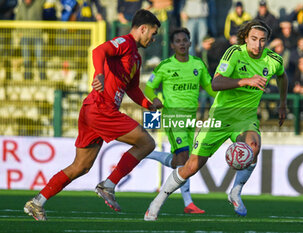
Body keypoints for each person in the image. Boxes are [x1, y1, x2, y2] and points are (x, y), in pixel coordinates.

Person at [23, 9, 161, 221]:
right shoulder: (125, 42)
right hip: (100, 108)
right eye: (153, 33)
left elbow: (132, 89)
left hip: (93, 110)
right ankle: (109, 185)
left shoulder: (136, 57)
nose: (153, 39)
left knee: (81, 166)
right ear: (143, 28)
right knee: (146, 143)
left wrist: (148, 104)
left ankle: (37, 202)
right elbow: (99, 51)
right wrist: (99, 74)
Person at [144, 19, 288, 221]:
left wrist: (282, 103)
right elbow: (217, 82)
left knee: (253, 147)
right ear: (245, 38)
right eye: (254, 39)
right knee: (190, 166)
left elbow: (282, 77)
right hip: (220, 117)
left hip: (245, 118)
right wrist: (246, 80)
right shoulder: (234, 53)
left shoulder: (273, 60)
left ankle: (235, 191)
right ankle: (157, 201)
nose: (258, 44)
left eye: (263, 40)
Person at [144, 27, 216, 214]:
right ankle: (188, 203)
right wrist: (155, 99)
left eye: (185, 40)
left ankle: (145, 153)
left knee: (179, 161)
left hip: (191, 119)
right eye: (178, 41)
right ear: (173, 45)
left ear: (190, 43)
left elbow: (210, 88)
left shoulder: (198, 64)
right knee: (185, 159)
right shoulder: (165, 65)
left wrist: (228, 96)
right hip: (173, 117)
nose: (182, 43)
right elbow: (149, 87)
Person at [15, 0, 47, 80]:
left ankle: (42, 76)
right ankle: (27, 76)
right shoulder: (21, 6)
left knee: (40, 57)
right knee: (26, 58)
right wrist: (19, 32)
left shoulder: (38, 3)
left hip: (37, 35)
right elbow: (17, 20)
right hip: (25, 36)